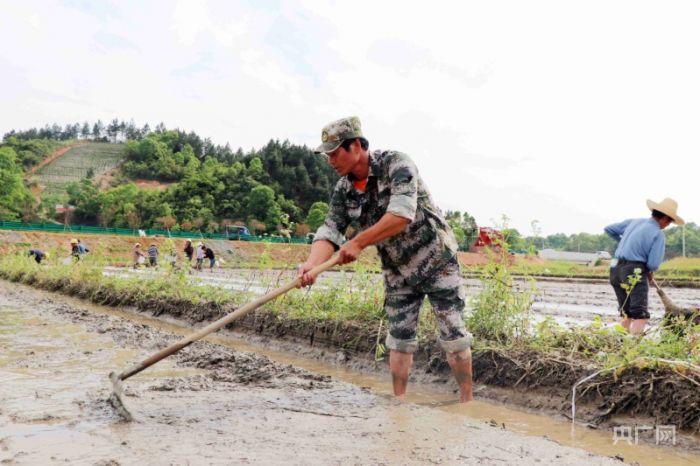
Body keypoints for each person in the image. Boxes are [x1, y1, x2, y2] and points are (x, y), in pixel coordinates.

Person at [297, 116, 473, 402]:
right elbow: (330, 230)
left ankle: (467, 402)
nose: (330, 160)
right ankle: (398, 403)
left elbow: (401, 215)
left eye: (334, 152)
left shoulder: (397, 165)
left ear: (356, 146)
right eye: (327, 154)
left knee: (453, 334)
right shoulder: (343, 189)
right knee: (399, 338)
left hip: (436, 260)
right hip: (397, 268)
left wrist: (358, 242)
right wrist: (312, 265)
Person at [604, 198, 684, 335]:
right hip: (633, 270)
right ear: (665, 218)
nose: (667, 225)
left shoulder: (634, 222)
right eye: (669, 222)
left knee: (627, 313)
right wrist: (650, 271)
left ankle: (620, 342)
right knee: (640, 314)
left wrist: (624, 242)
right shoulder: (658, 234)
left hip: (615, 268)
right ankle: (633, 345)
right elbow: (653, 264)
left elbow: (609, 229)